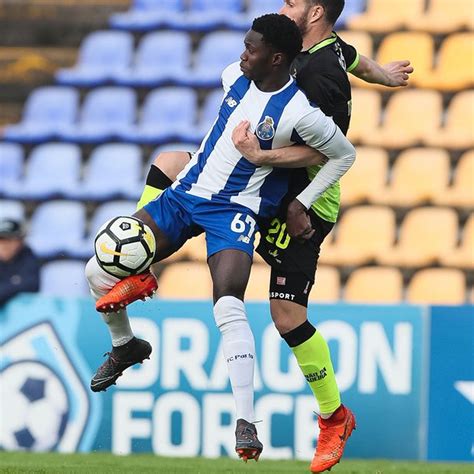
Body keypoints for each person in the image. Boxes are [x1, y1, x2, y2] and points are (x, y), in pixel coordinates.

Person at [95, 2, 413, 472]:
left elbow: (323, 152)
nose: (282, 6)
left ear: (315, 12)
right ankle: (140, 267)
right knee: (171, 163)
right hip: (257, 189)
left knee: (286, 317)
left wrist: (269, 165)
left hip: (298, 204)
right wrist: (383, 74)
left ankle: (333, 416)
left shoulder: (320, 73)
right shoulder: (321, 49)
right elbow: (354, 56)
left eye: (292, 2)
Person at [0, 218, 40, 306]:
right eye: (1, 239)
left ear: (20, 241)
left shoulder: (27, 257)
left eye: (10, 239)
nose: (4, 245)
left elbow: (31, 284)